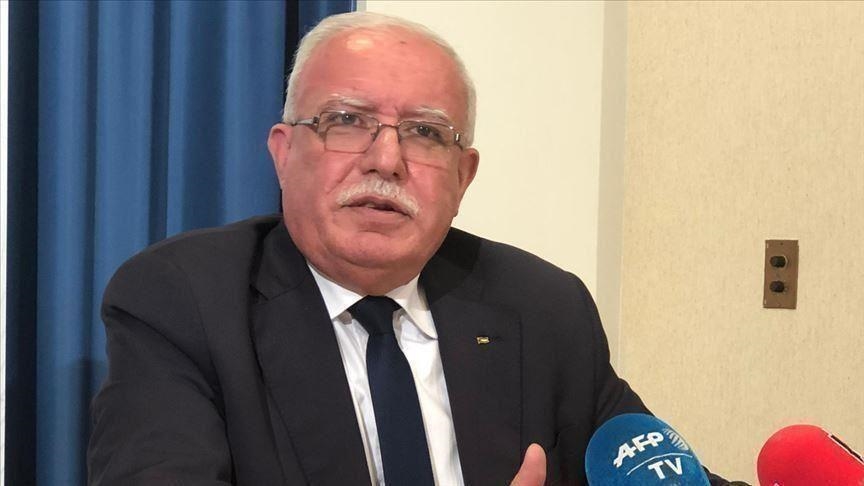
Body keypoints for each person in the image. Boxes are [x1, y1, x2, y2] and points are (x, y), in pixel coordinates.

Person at [87, 11, 729, 486]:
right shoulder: (184, 301)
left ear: (463, 177)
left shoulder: (543, 308)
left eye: (425, 133)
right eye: (346, 121)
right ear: (283, 153)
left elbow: (657, 472)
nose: (386, 159)